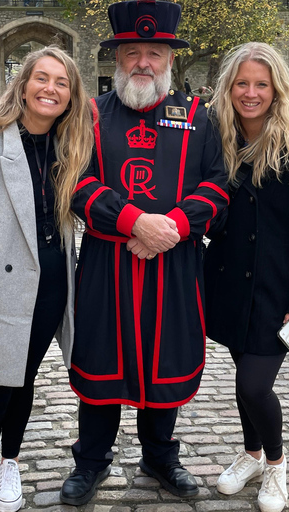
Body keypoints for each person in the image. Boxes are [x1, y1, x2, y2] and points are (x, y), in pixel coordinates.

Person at [59, 0, 229, 506]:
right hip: (107, 266)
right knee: (100, 366)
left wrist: (172, 225)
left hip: (173, 265)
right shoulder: (87, 114)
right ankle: (90, 461)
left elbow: (219, 187)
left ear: (170, 60)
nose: (143, 63)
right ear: (117, 58)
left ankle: (159, 455)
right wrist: (133, 220)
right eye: (133, 52)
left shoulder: (201, 118)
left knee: (165, 363)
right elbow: (73, 181)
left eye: (154, 53)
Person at [0, 46, 93, 512]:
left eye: (61, 82)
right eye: (42, 79)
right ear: (23, 85)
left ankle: (10, 457)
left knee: (22, 378)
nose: (50, 89)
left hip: (50, 285)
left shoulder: (72, 146)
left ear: (70, 96)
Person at [204, 41, 289, 512]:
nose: (251, 92)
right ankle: (251, 455)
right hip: (227, 286)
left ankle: (276, 465)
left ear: (277, 88)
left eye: (261, 84)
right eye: (242, 83)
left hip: (278, 293)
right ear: (228, 88)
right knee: (245, 375)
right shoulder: (216, 139)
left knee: (253, 386)